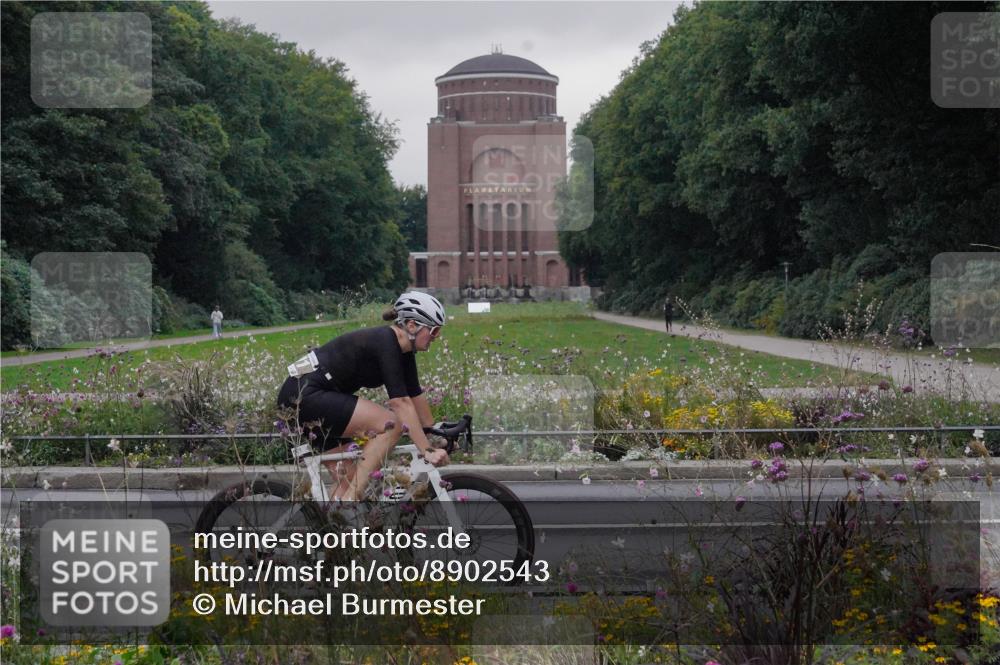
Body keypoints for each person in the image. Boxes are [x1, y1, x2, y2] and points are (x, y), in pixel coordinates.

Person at [276, 291, 449, 502]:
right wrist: (427, 450)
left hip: (314, 398)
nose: (436, 337)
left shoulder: (405, 353)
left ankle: (332, 527)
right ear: (412, 326)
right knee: (392, 424)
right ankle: (351, 498)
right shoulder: (386, 340)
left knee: (348, 480)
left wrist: (439, 435)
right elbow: (400, 404)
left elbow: (414, 398)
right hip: (304, 395)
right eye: (434, 330)